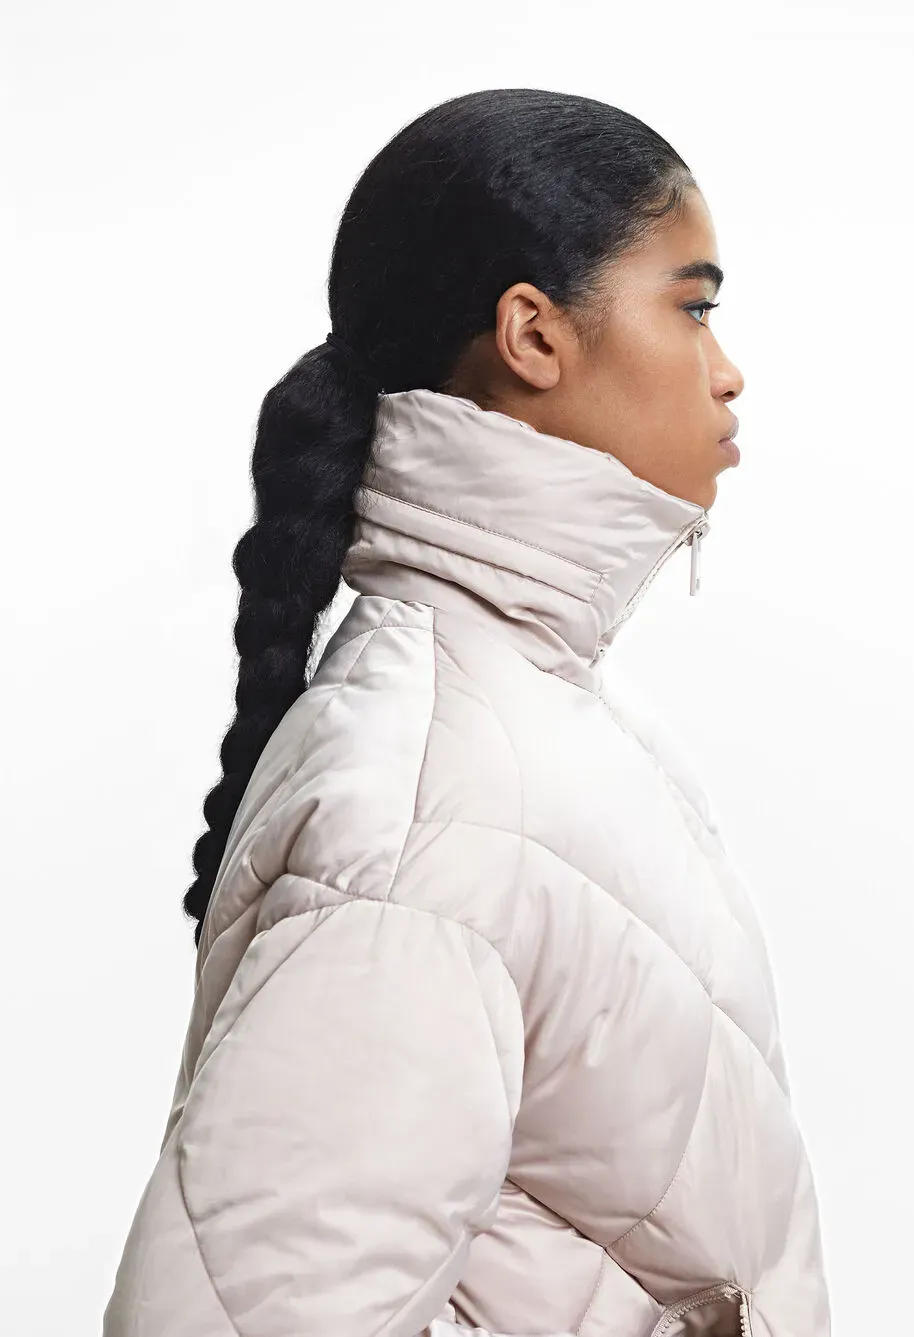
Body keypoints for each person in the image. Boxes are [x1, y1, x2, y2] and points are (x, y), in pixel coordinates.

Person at [103, 88, 831, 1337]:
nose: (726, 369)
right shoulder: (431, 791)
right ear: (532, 334)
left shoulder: (541, 712)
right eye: (693, 307)